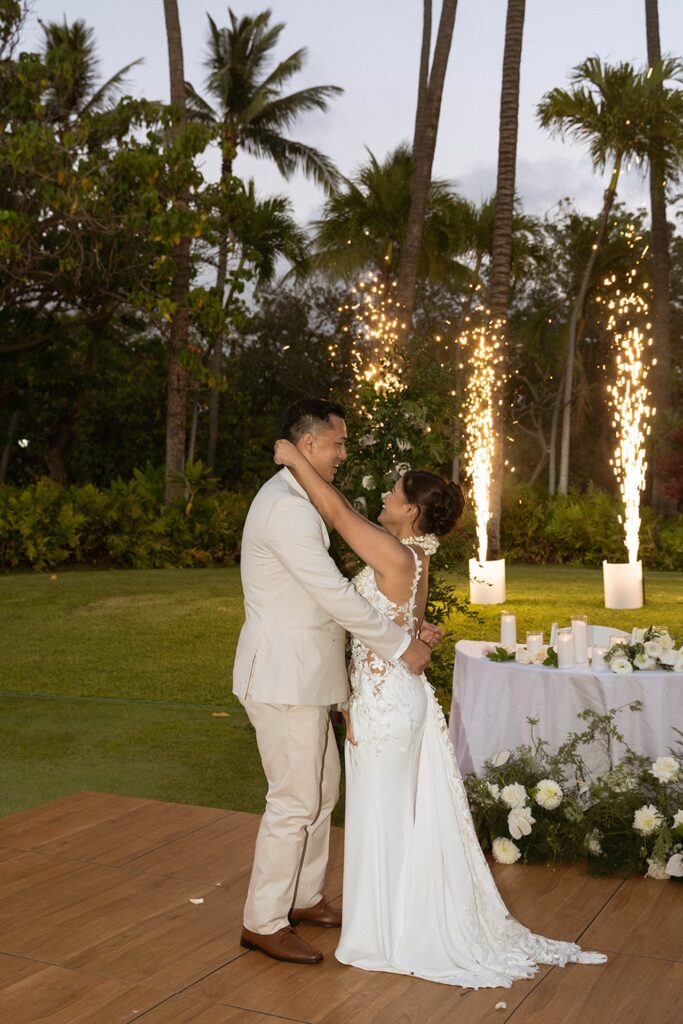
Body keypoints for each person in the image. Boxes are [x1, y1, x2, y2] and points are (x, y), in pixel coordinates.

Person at [273, 438, 607, 989]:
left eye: (393, 491)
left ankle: (384, 932)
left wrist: (294, 457)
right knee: (394, 816)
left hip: (386, 707)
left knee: (382, 817)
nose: (383, 493)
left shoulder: (395, 552)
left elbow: (335, 512)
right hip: (392, 697)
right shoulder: (416, 555)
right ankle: (389, 919)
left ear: (408, 510)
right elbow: (398, 624)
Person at [233, 398, 433, 966]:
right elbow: (334, 595)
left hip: (307, 677)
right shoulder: (287, 508)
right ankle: (263, 920)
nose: (345, 454)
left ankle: (303, 897)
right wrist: (402, 647)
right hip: (282, 677)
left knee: (321, 792)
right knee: (295, 800)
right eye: (340, 443)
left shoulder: (299, 497)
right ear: (311, 443)